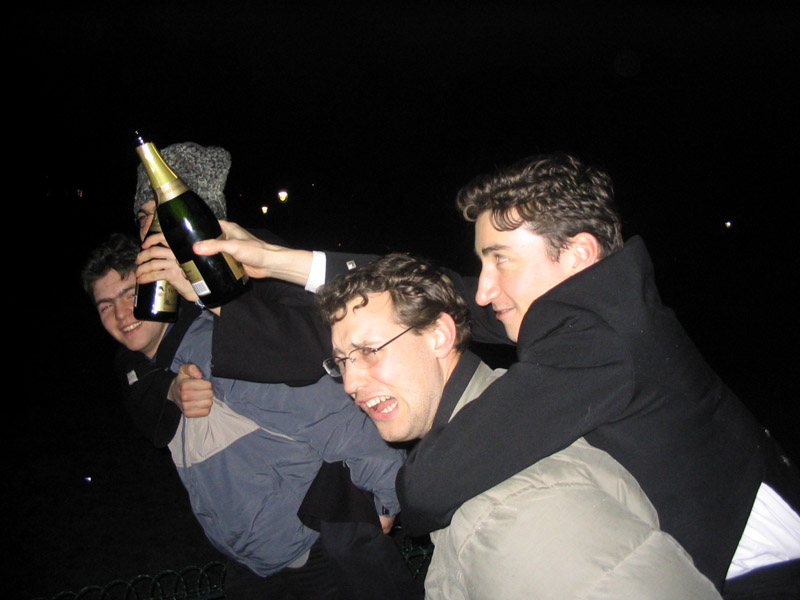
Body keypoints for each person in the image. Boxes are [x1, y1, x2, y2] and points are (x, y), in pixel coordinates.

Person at [188, 152, 800, 597]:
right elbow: (440, 294)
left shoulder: (603, 339)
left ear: (578, 256)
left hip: (758, 575)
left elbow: (434, 482)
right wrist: (278, 261)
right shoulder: (599, 313)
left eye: (499, 260)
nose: (483, 289)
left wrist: (396, 501)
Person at [95, 140, 423, 599]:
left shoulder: (259, 269)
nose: (151, 230)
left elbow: (312, 364)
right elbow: (137, 365)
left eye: (164, 214)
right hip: (253, 560)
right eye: (144, 216)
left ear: (199, 216)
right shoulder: (171, 302)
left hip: (320, 539)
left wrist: (384, 495)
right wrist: (169, 388)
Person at [308, 251, 719, 598]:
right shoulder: (483, 441)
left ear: (439, 336)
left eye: (369, 351)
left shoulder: (509, 515)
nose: (350, 383)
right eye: (342, 362)